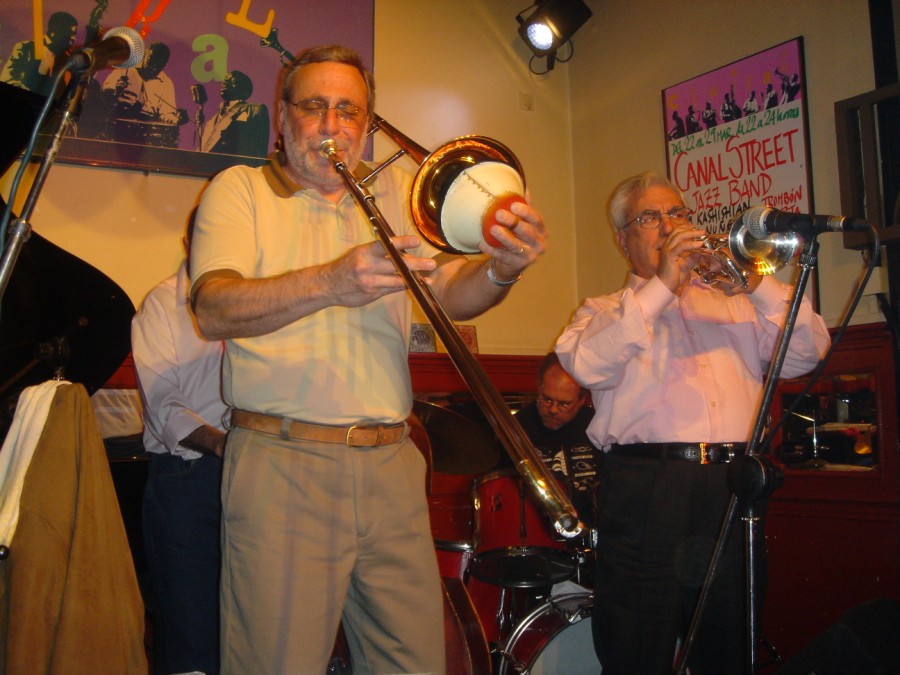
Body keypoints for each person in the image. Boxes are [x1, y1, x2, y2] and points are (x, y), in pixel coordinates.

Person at [189, 44, 547, 674]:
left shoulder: (392, 196)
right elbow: (214, 308)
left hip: (391, 464)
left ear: (367, 123)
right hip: (283, 461)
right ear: (282, 116)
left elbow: (450, 296)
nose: (332, 126)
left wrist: (501, 270)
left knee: (413, 662)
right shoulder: (238, 189)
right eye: (315, 107)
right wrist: (330, 282)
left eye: (349, 111)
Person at [556, 170, 830, 674]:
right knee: (637, 643)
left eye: (677, 213)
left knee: (730, 641)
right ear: (623, 239)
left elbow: (808, 353)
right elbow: (587, 365)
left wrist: (754, 282)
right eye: (650, 217)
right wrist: (664, 285)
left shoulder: (737, 302)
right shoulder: (601, 311)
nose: (668, 225)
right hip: (647, 489)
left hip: (733, 483)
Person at [132, 211, 228, 675]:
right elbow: (163, 402)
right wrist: (224, 446)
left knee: (246, 627)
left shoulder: (254, 302)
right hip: (187, 477)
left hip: (255, 474)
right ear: (189, 241)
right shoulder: (159, 305)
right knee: (191, 632)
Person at [515, 352, 602, 529]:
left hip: (589, 529)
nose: (553, 410)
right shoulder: (517, 427)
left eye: (564, 404)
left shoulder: (597, 426)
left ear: (581, 401)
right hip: (535, 532)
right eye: (547, 399)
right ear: (540, 388)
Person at [100, 41, 187, 146]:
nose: (154, 67)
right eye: (151, 61)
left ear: (164, 65)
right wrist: (116, 91)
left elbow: (166, 114)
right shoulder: (126, 69)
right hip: (119, 128)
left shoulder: (166, 83)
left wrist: (175, 119)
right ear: (145, 55)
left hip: (148, 136)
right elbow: (104, 95)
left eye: (159, 65)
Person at [1, 11, 77, 95]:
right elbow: (8, 81)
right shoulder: (26, 48)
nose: (74, 39)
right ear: (54, 31)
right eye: (71, 33)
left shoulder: (67, 60)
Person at [198, 70, 270, 157]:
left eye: (232, 81)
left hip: (239, 168)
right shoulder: (211, 121)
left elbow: (260, 149)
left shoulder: (254, 110)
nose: (224, 83)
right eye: (225, 80)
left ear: (244, 87)